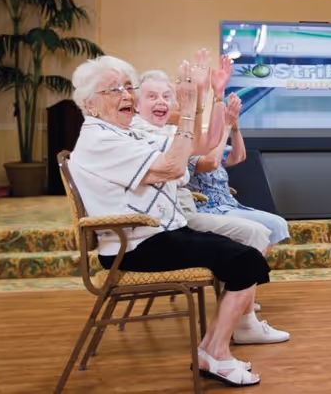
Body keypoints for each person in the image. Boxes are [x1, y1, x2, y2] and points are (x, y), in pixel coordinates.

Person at [68, 54, 263, 387]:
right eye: (114, 90)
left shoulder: (122, 132)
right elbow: (175, 167)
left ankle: (211, 349)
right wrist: (187, 109)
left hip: (157, 234)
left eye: (128, 87)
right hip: (135, 246)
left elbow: (195, 147)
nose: (126, 96)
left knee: (245, 256)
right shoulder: (101, 140)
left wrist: (200, 96)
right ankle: (215, 351)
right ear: (90, 104)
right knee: (245, 260)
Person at [133, 67, 289, 344]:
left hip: (180, 214)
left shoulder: (166, 132)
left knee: (260, 231)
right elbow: (204, 160)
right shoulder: (143, 136)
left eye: (166, 96)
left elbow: (205, 151)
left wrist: (211, 102)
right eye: (152, 96)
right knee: (252, 234)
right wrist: (213, 103)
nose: (161, 102)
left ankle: (241, 315)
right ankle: (243, 322)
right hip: (169, 223)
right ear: (136, 102)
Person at [187, 93, 291, 251]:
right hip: (209, 209)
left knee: (277, 224)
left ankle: (253, 265)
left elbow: (238, 156)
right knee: (265, 228)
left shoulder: (215, 149)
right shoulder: (190, 154)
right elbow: (212, 163)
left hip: (231, 206)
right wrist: (227, 127)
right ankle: (250, 267)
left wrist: (235, 126)